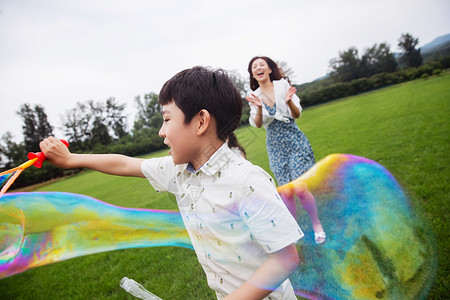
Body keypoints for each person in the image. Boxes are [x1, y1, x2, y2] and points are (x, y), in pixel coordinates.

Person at [40, 67, 303, 300]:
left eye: (167, 119)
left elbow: (285, 258)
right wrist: (71, 159)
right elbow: (124, 163)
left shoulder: (248, 181)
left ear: (201, 121)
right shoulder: (177, 171)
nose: (161, 131)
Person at [245, 56, 326, 244]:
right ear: (253, 74)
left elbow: (296, 114)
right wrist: (257, 108)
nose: (258, 68)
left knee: (300, 188)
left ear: (269, 69)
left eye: (261, 65)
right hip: (275, 145)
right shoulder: (254, 96)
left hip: (293, 139)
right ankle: (294, 231)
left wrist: (289, 101)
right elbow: (257, 124)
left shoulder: (282, 86)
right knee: (286, 192)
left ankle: (316, 225)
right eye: (254, 66)